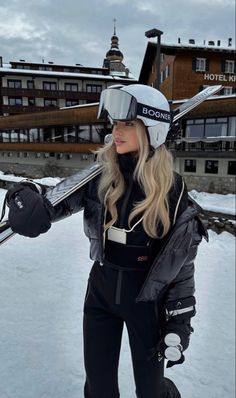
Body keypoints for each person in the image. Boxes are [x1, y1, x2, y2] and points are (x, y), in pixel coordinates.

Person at [6, 84, 208, 398]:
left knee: (151, 392)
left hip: (146, 301)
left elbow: (182, 265)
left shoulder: (173, 192)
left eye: (128, 123)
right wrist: (26, 200)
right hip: (100, 292)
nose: (117, 130)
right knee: (99, 389)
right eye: (114, 123)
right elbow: (53, 203)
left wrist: (180, 320)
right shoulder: (100, 177)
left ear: (151, 130)